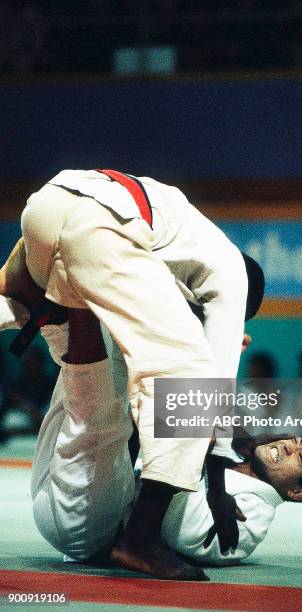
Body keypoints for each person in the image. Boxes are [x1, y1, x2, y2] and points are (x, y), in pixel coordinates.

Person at [0, 169, 263, 579]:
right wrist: (218, 477)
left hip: (47, 205)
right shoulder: (231, 275)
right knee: (190, 380)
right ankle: (140, 539)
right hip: (98, 226)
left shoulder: (175, 247)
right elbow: (214, 386)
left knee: (39, 312)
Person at [26, 306, 302, 567]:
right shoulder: (234, 448)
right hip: (61, 483)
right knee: (103, 346)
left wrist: (203, 368)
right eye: (294, 440)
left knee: (96, 388)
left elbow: (179, 530)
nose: (287, 446)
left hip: (86, 527)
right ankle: (36, 295)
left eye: (301, 457)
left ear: (298, 492)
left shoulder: (252, 521)